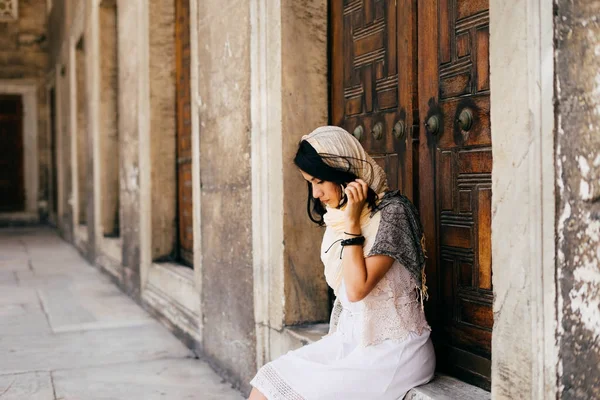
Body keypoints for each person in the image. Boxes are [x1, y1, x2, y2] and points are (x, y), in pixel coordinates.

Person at [248, 126, 435, 400]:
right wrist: (348, 219)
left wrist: (351, 225)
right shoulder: (338, 217)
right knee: (265, 383)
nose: (315, 194)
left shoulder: (393, 213)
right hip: (348, 342)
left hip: (392, 353)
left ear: (342, 172)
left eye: (319, 181)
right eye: (310, 183)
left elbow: (357, 289)